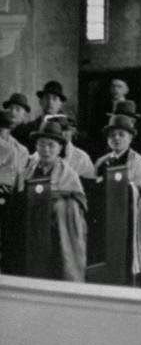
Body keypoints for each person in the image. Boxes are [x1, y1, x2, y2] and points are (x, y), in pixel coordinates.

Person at [93, 113, 141, 277]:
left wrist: (126, 187)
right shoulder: (102, 162)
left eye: (121, 134)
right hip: (107, 219)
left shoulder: (140, 163)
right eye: (112, 135)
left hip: (130, 220)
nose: (116, 138)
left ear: (130, 138)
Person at [25, 118, 88, 281]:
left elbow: (79, 200)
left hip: (55, 228)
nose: (45, 149)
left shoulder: (68, 173)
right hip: (29, 224)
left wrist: (57, 202)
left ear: (60, 148)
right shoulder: (29, 168)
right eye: (41, 144)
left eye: (51, 145)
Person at [21, 79, 68, 145]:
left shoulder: (66, 129)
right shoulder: (30, 127)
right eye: (47, 97)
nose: (50, 102)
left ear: (60, 104)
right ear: (40, 102)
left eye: (54, 98)